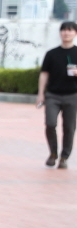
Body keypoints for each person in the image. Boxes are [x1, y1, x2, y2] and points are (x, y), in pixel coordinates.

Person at [36, 21, 77, 169]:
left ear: (75, 33)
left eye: (70, 30)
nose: (66, 33)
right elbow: (44, 74)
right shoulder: (51, 53)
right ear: (60, 33)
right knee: (50, 123)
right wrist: (41, 93)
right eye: (64, 30)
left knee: (69, 127)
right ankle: (53, 153)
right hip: (53, 95)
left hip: (73, 95)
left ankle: (64, 157)